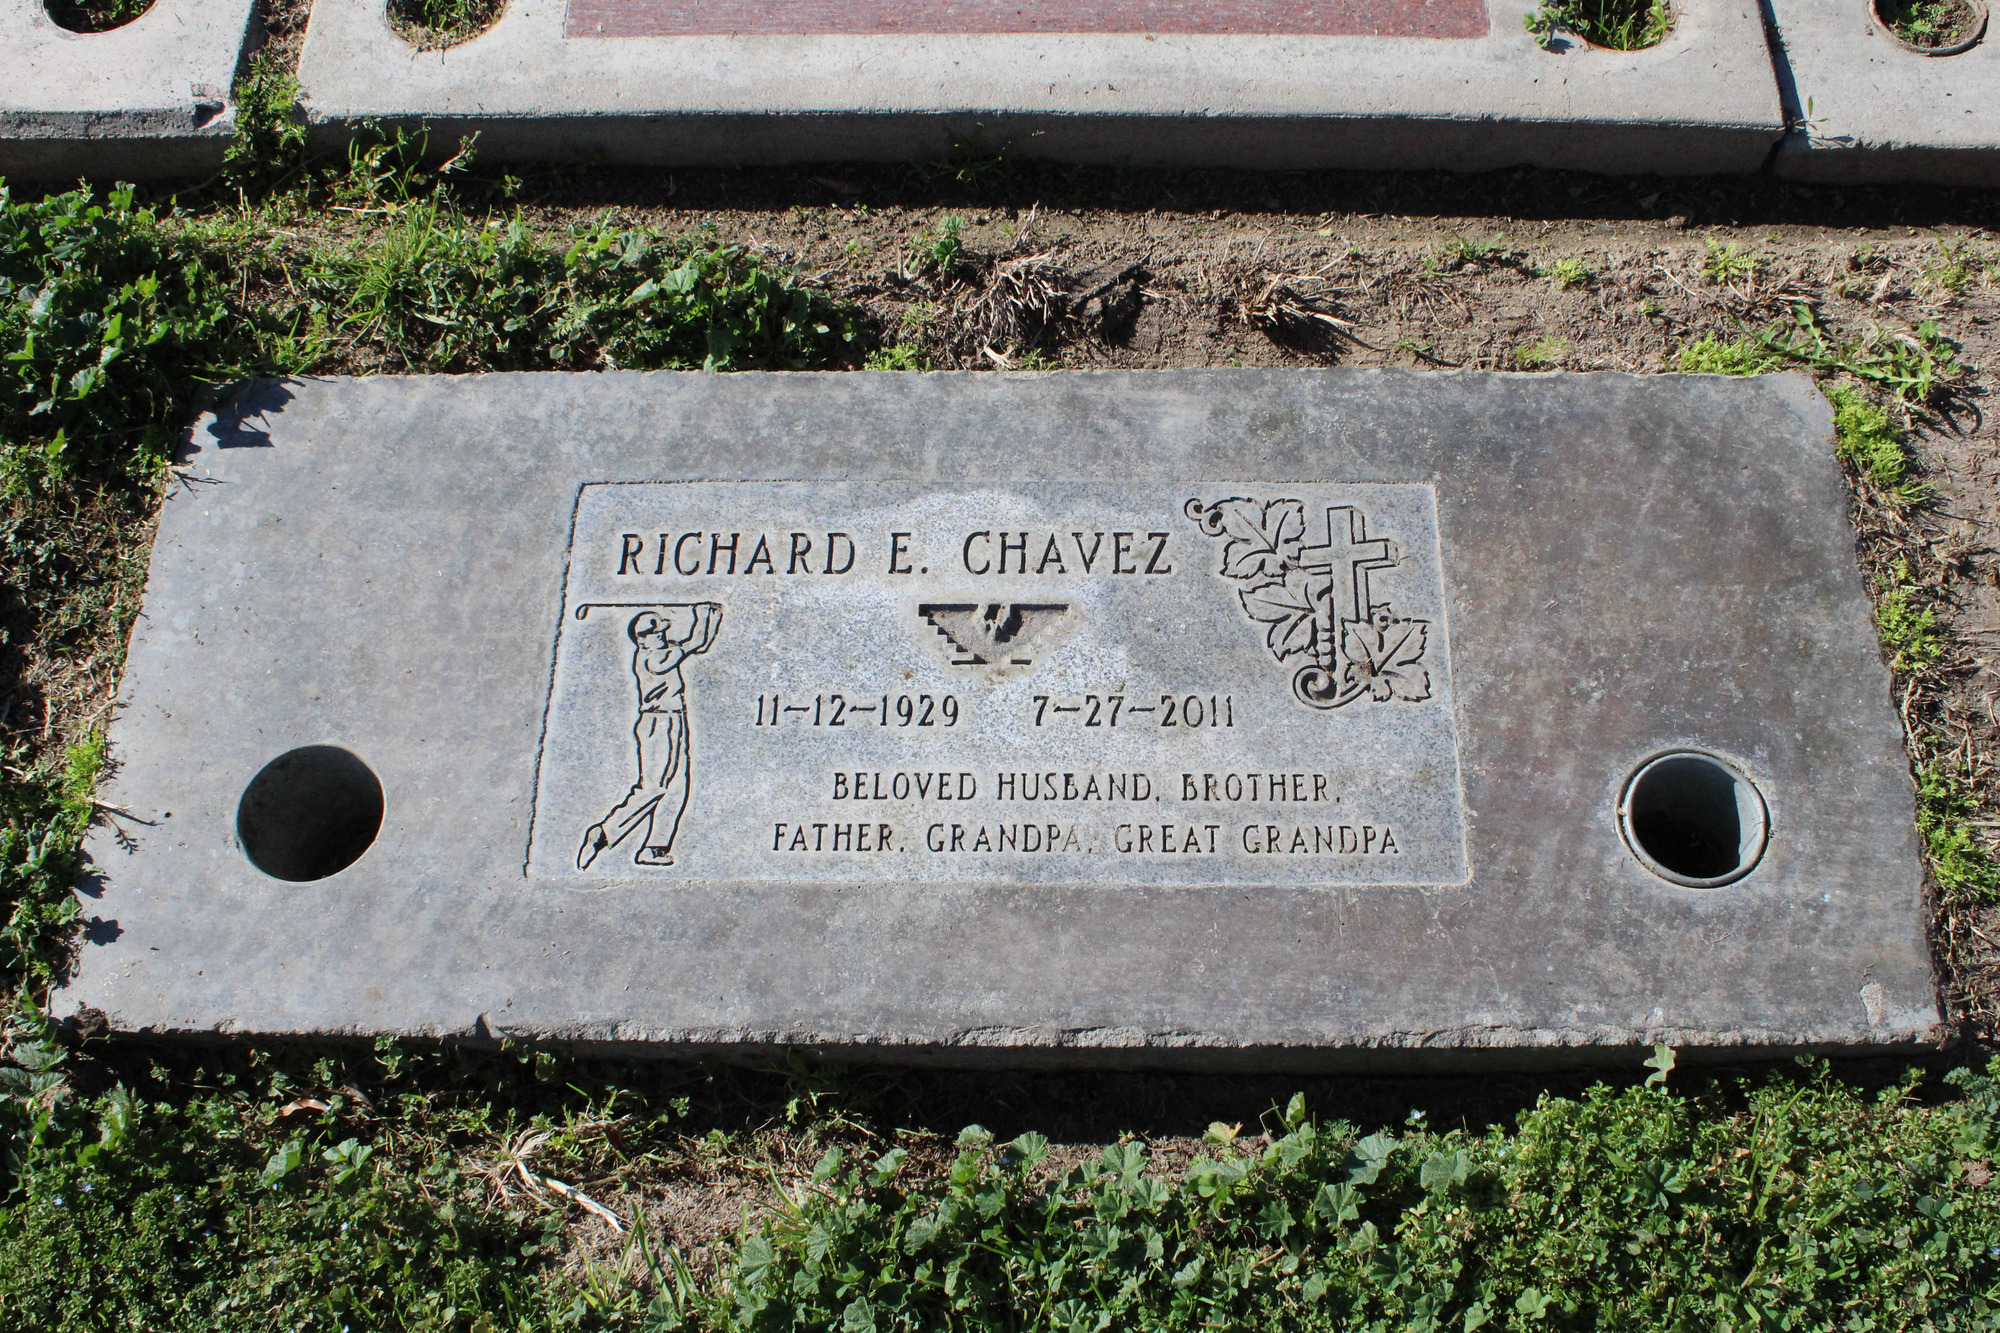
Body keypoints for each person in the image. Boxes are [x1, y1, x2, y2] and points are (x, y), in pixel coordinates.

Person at [577, 602, 722, 870]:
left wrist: (712, 616)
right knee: (654, 787)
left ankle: (654, 848)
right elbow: (695, 642)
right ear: (642, 638)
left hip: (675, 719)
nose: (663, 635)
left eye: (662, 630)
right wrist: (702, 615)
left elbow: (701, 645)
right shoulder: (653, 659)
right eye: (656, 632)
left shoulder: (661, 650)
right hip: (658, 722)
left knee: (677, 788)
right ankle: (604, 833)